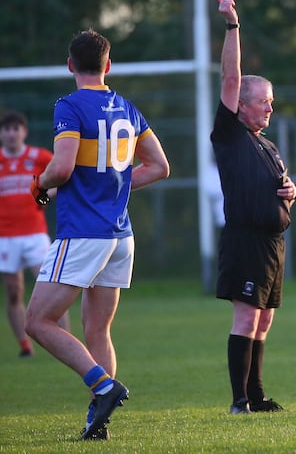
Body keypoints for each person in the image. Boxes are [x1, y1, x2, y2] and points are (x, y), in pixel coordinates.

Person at [24, 29, 170, 440]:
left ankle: (104, 387)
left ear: (70, 65)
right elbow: (159, 166)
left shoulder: (69, 105)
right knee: (97, 329)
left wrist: (39, 185)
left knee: (37, 321)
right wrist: (116, 186)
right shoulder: (126, 107)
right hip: (120, 235)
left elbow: (63, 167)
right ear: (108, 66)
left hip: (84, 233)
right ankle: (99, 421)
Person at [213, 0, 296, 415]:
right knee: (246, 319)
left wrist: (291, 191)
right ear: (241, 104)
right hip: (246, 239)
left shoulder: (264, 143)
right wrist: (233, 27)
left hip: (271, 243)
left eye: (271, 100)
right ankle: (239, 401)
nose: (270, 106)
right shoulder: (230, 134)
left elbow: (281, 184)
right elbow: (230, 77)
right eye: (263, 100)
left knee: (264, 320)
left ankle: (258, 393)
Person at [0, 111, 70, 358]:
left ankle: (66, 343)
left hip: (35, 234)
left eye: (15, 129)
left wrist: (43, 197)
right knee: (13, 291)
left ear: (24, 132)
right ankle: (24, 346)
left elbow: (64, 176)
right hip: (5, 236)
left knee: (51, 288)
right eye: (6, 129)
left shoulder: (38, 156)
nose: (11, 134)